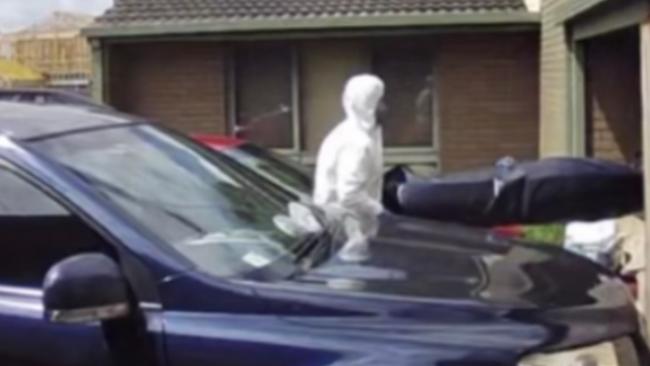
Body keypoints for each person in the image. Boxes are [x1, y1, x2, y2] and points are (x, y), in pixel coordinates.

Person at [313, 74, 385, 262]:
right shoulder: (356, 142)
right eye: (380, 101)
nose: (386, 107)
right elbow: (349, 195)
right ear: (366, 104)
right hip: (347, 235)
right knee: (350, 283)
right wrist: (381, 212)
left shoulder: (358, 132)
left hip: (349, 230)